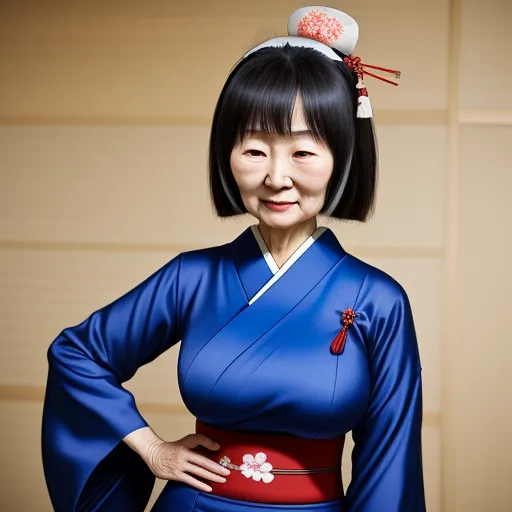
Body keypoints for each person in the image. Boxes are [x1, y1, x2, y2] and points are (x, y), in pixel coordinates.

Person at [42, 6, 425, 512]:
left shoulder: (378, 300)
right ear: (228, 154)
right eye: (254, 151)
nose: (276, 176)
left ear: (343, 157)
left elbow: (390, 463)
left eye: (304, 153)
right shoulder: (191, 277)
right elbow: (76, 354)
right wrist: (151, 449)